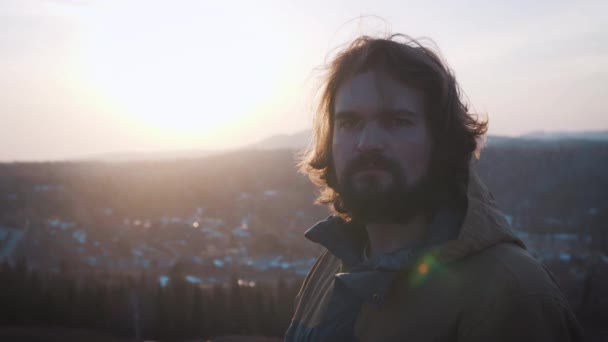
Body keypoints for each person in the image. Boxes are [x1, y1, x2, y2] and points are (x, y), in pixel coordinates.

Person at [285, 34, 583, 341]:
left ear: (442, 144)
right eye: (349, 123)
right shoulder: (334, 265)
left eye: (397, 121)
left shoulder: (510, 292)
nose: (367, 143)